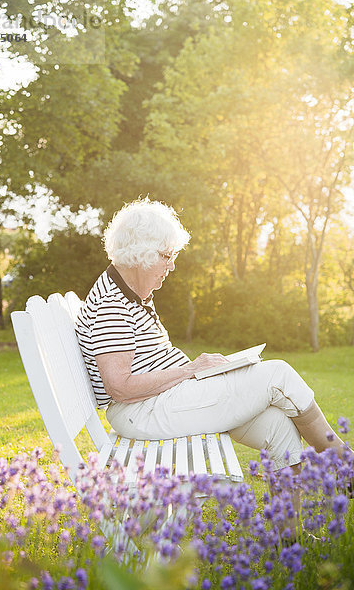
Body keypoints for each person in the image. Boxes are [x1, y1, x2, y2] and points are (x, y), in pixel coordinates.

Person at [75, 198, 349, 474]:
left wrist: (199, 372)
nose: (171, 266)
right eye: (166, 256)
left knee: (279, 427)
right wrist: (191, 370)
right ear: (141, 253)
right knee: (279, 374)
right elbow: (120, 387)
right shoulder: (112, 306)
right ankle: (343, 463)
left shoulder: (129, 295)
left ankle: (288, 518)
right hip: (144, 411)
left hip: (164, 401)